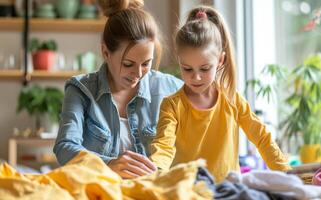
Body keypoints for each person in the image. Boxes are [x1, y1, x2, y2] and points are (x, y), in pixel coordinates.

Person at [149, 6, 291, 182]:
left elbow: (261, 137)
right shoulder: (171, 105)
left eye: (205, 68)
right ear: (179, 60)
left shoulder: (232, 99)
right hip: (189, 192)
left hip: (229, 190)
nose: (196, 77)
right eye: (187, 68)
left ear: (220, 60)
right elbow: (163, 146)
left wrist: (286, 172)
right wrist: (156, 172)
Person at [53, 0, 183, 179]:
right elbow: (65, 146)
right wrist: (108, 165)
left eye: (146, 63)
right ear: (105, 52)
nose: (138, 73)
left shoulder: (171, 88)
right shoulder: (81, 90)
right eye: (128, 64)